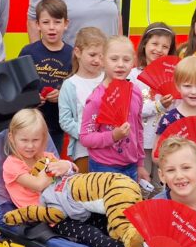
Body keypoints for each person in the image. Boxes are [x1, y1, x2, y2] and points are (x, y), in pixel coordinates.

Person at [1, 108, 143, 247]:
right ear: (12, 137)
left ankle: (137, 235)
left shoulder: (46, 156)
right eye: (24, 140)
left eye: (35, 140)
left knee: (104, 218)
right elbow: (38, 184)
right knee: (91, 234)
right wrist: (60, 167)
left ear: (43, 138)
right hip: (50, 218)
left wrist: (67, 166)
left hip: (71, 205)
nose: (30, 146)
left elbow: (71, 175)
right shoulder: (12, 164)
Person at [79, 35, 144, 181]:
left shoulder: (136, 92)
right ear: (102, 61)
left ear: (133, 61)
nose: (120, 64)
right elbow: (85, 137)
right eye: (114, 59)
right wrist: (113, 136)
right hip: (104, 167)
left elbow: (138, 129)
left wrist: (140, 163)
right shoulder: (96, 98)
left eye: (126, 60)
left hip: (131, 165)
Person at [19, 0, 73, 155]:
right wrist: (32, 97)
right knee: (27, 162)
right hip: (28, 123)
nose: (52, 28)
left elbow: (76, 90)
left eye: (57, 22)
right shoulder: (28, 52)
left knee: (51, 163)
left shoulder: (72, 55)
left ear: (66, 24)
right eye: (46, 22)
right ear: (37, 25)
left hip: (56, 125)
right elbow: (17, 87)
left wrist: (62, 95)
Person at [131, 23, 177, 182]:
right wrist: (158, 106)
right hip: (140, 142)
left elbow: (176, 108)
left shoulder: (173, 76)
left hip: (164, 141)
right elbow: (131, 109)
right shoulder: (133, 76)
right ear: (144, 44)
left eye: (165, 46)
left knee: (161, 183)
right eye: (155, 44)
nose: (159, 49)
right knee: (142, 183)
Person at [59, 26, 108, 172]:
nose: (97, 60)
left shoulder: (108, 78)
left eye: (101, 55)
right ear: (78, 52)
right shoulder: (70, 85)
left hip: (109, 148)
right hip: (84, 150)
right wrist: (87, 136)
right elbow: (66, 120)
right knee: (87, 189)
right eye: (92, 55)